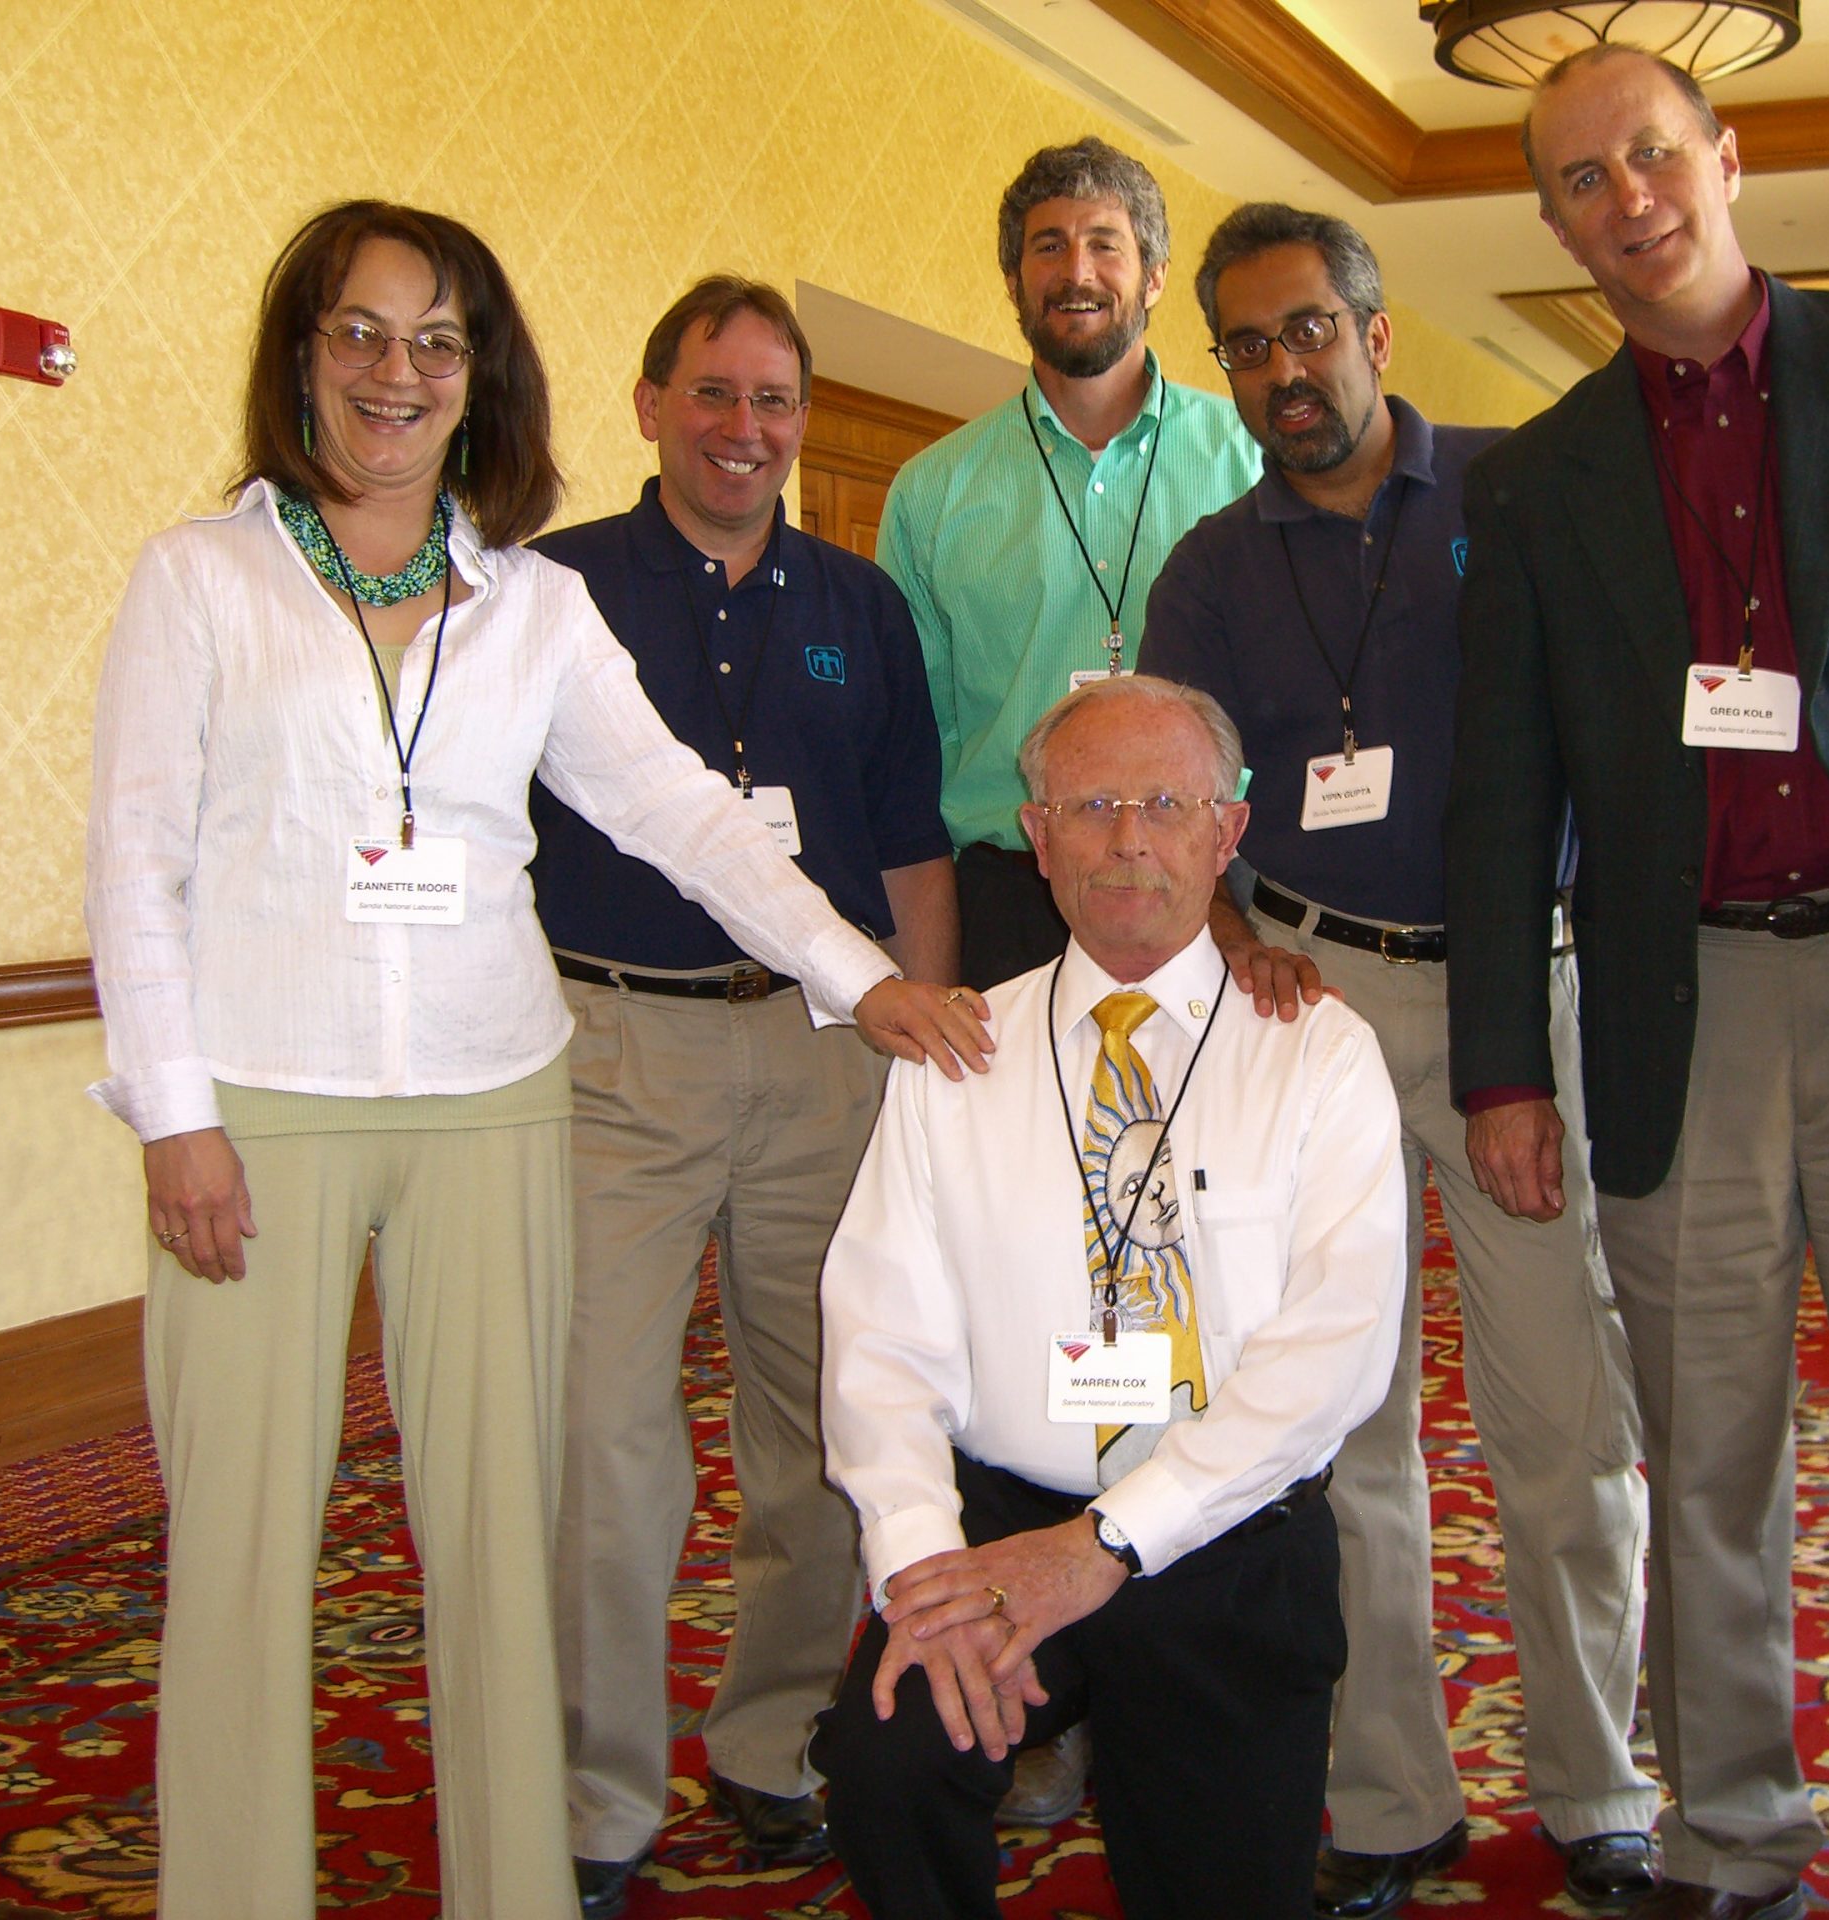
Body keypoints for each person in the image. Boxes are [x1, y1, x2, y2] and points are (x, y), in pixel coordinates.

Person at [82, 201, 987, 1919]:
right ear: (300, 359)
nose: (397, 373)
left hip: (498, 1102)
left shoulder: (534, 606)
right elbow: (137, 861)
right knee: (248, 1552)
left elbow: (677, 816)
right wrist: (173, 1116)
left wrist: (860, 982)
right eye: (360, 334)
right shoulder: (203, 578)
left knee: (504, 1543)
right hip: (260, 1112)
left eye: (438, 342)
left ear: (480, 380)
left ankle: (513, 1881)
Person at [1444, 49, 1829, 1920]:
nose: (1628, 198)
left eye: (1651, 153)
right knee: (1705, 1462)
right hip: (1673, 1016)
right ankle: (1733, 1835)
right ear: (1551, 221)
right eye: (1579, 179)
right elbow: (1500, 798)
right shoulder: (1538, 482)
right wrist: (1499, 1071)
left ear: (1728, 155)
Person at [1139, 203, 1657, 1919]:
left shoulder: (1515, 491)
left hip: (1527, 1000)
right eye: (1248, 346)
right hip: (1316, 1009)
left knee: (1560, 1414)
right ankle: (1389, 1799)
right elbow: (1177, 801)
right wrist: (1231, 949)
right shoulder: (1212, 568)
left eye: (1309, 330)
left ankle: (1597, 1787)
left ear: (1375, 328)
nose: (1285, 369)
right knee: (1341, 1422)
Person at [809, 674, 1408, 1920]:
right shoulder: (959, 1053)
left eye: (1163, 803)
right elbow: (880, 1337)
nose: (1128, 839)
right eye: (1088, 806)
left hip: (1227, 1536)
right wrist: (920, 1568)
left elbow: (1334, 1354)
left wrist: (1107, 1547)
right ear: (1034, 836)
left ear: (1227, 832)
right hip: (1000, 1521)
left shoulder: (1317, 1053)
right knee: (884, 1764)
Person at [526, 277, 960, 1917]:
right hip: (611, 1057)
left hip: (821, 1056)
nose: (745, 429)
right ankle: (595, 1796)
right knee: (605, 1441)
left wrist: (915, 1066)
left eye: (775, 400)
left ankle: (772, 1742)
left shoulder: (865, 603)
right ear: (648, 405)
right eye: (713, 393)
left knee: (827, 1431)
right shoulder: (551, 588)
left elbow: (910, 848)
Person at [879, 136, 1260, 993]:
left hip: (1216, 894)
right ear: (1013, 282)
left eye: (1104, 243)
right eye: (1047, 246)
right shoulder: (932, 492)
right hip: (1008, 899)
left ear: (1154, 276)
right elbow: (912, 747)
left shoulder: (1252, 458)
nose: (1075, 269)